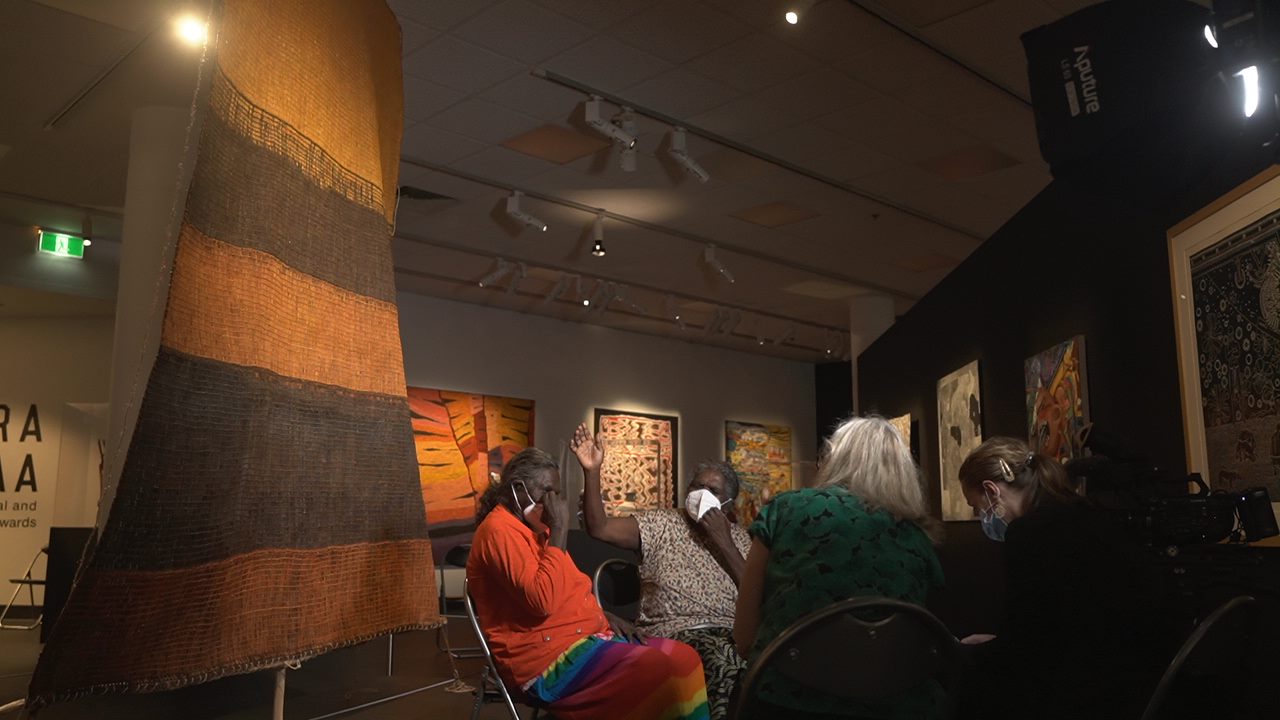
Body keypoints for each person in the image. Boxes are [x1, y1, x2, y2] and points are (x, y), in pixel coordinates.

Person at [466, 446, 710, 720]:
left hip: (584, 636)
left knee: (685, 659)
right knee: (654, 669)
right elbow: (542, 601)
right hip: (544, 661)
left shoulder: (536, 528)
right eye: (546, 491)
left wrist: (601, 614)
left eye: (555, 492)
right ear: (517, 488)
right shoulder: (498, 531)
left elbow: (566, 589)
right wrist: (559, 530)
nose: (553, 501)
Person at [733, 416, 944, 719]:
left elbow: (744, 638)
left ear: (834, 458)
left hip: (787, 701)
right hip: (898, 705)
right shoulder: (920, 538)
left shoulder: (786, 509)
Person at [956, 436, 1164, 720]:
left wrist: (978, 652)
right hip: (1140, 678)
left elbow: (1028, 647)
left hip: (1089, 693)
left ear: (992, 491)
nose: (982, 517)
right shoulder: (1086, 513)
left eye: (977, 507)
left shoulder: (1031, 533)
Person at [573, 423, 750, 720]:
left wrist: (725, 543)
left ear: (728, 504)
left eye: (712, 490)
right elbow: (599, 527)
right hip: (674, 630)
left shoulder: (742, 538)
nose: (701, 493)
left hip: (729, 632)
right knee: (724, 660)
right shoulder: (662, 523)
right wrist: (592, 471)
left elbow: (757, 594)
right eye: (697, 486)